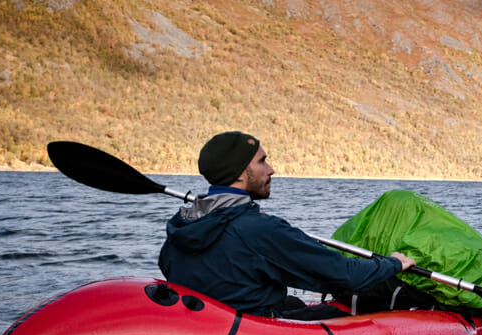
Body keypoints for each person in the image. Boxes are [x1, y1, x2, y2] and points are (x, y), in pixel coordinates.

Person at [158, 131, 422, 319]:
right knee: (336, 311)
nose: (271, 169)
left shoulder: (182, 223)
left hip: (208, 325)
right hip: (254, 332)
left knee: (291, 301)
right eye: (261, 161)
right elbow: (344, 274)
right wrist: (394, 263)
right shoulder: (259, 229)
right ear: (239, 174)